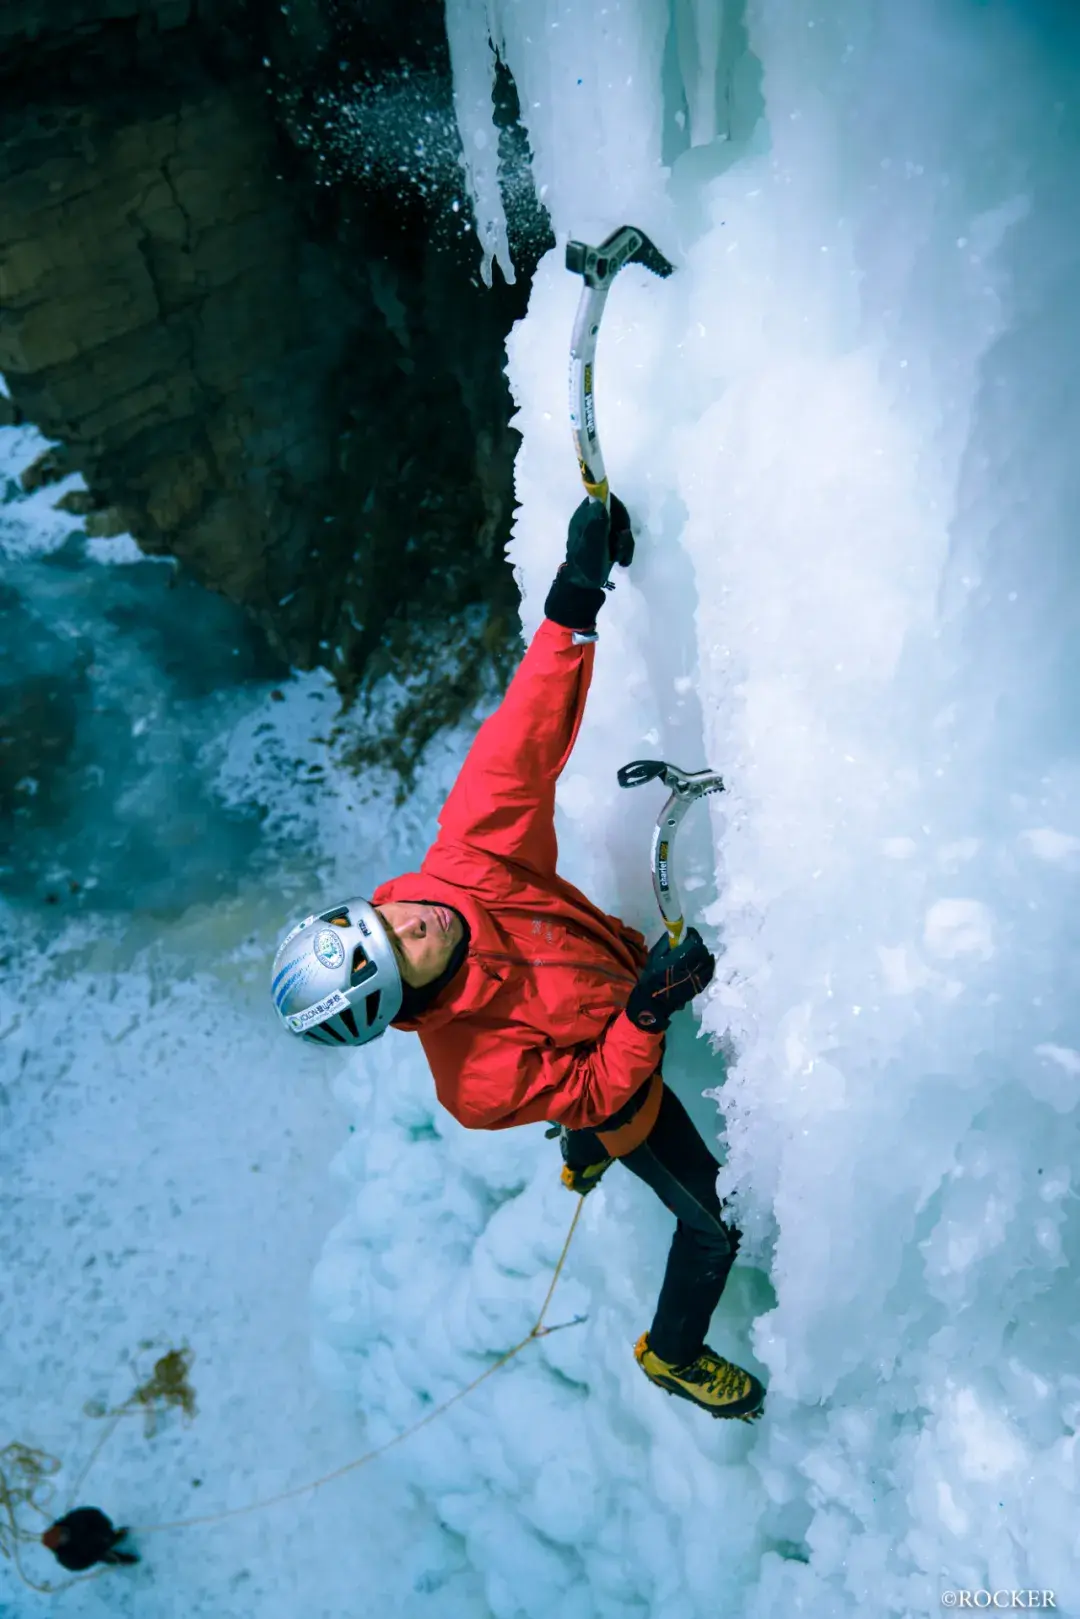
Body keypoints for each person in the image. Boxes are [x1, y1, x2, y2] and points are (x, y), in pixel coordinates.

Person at [272, 498, 765, 1421]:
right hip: (624, 1086)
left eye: (390, 916)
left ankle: (580, 1160)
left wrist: (574, 603)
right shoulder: (475, 1078)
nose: (416, 919)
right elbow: (591, 1087)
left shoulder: (464, 866)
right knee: (713, 1224)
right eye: (403, 948)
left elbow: (520, 745)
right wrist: (646, 1014)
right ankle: (674, 1352)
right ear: (402, 1003)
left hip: (614, 993)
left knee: (567, 1093)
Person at [41, 1507, 139, 1571]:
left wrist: (106, 1528)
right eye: (62, 1538)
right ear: (59, 1545)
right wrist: (93, 1557)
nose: (65, 1535)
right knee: (111, 1557)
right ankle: (126, 1560)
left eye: (62, 1532)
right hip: (97, 1552)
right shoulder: (66, 1557)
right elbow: (77, 1565)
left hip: (102, 1533)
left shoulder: (73, 1519)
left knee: (113, 1537)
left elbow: (94, 1513)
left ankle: (120, 1535)